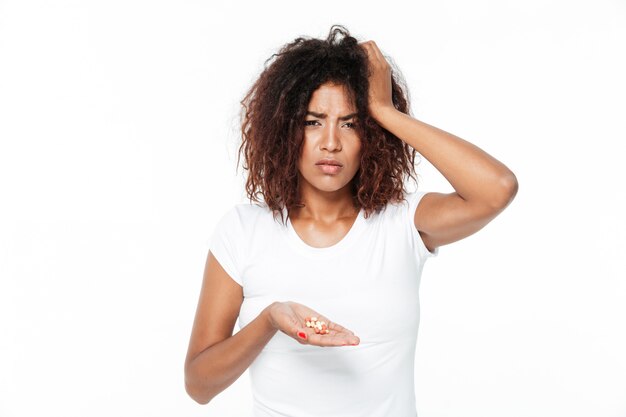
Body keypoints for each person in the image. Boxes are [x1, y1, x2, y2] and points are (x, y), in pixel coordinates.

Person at [184, 24, 518, 416]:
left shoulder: (403, 222)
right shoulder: (243, 231)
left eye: (350, 123)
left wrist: (384, 111)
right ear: (284, 130)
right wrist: (269, 321)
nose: (331, 142)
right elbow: (199, 385)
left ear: (371, 136)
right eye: (313, 121)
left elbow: (497, 188)